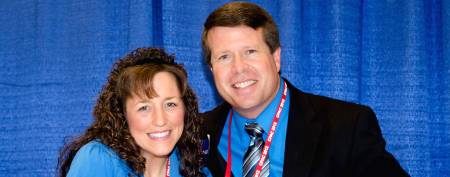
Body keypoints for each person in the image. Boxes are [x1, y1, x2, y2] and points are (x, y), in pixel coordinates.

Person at [201, 2, 409, 177]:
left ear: (276, 57)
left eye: (250, 52)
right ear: (211, 69)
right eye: (224, 57)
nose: (239, 68)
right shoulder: (196, 132)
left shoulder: (346, 128)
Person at [57, 48, 206, 177]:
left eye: (170, 104)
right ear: (122, 114)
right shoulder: (98, 159)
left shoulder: (192, 165)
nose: (160, 120)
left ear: (186, 108)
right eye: (144, 108)